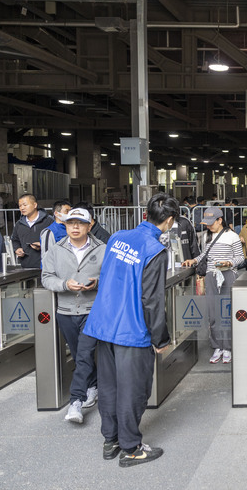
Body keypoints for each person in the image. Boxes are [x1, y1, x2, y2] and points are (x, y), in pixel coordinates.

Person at [83, 193, 179, 466]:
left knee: (109, 386)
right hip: (132, 329)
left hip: (105, 325)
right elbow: (151, 300)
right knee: (133, 390)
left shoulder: (117, 238)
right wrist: (160, 338)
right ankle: (131, 448)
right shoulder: (155, 250)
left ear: (147, 214)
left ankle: (110, 440)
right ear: (169, 221)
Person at [41, 208, 105, 424]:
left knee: (85, 353)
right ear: (65, 226)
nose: (75, 227)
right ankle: (93, 386)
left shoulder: (103, 249)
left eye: (80, 223)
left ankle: (75, 402)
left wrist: (97, 283)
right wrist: (64, 284)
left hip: (92, 310)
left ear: (89, 225)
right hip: (66, 311)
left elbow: (112, 277)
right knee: (80, 354)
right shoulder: (55, 250)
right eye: (70, 223)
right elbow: (46, 277)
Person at [183, 208, 245, 364]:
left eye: (211, 223)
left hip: (227, 275)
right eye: (206, 223)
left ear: (220, 220)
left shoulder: (232, 236)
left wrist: (229, 263)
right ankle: (217, 346)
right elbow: (204, 254)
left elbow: (241, 257)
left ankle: (228, 347)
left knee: (226, 312)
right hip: (211, 276)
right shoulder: (206, 236)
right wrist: (194, 261)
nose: (208, 226)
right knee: (212, 312)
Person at [11, 193, 54, 268]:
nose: (22, 208)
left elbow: (58, 240)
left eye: (25, 205)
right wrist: (17, 249)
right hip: (26, 265)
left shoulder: (49, 221)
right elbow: (15, 240)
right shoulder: (19, 224)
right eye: (20, 206)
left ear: (35, 205)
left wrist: (43, 245)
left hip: (46, 266)